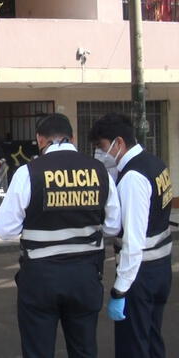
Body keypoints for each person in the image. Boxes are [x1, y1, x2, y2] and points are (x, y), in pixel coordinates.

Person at [0, 113, 121, 358]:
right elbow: (114, 226)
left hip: (40, 278)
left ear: (40, 140)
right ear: (72, 138)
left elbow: (5, 229)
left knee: (38, 350)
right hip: (85, 276)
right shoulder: (99, 171)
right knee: (84, 349)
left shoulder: (27, 173)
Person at [90, 113, 173, 358]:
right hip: (160, 269)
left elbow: (133, 240)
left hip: (140, 275)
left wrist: (120, 289)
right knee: (151, 337)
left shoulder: (133, 178)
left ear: (119, 143)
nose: (100, 153)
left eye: (101, 147)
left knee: (133, 346)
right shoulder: (155, 164)